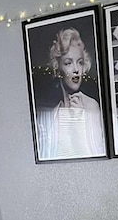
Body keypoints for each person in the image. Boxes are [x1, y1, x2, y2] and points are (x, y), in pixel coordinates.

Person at [35, 27, 105, 160]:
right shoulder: (55, 113)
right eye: (68, 63)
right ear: (58, 68)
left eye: (80, 63)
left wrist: (80, 121)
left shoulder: (90, 106)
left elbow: (98, 154)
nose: (76, 70)